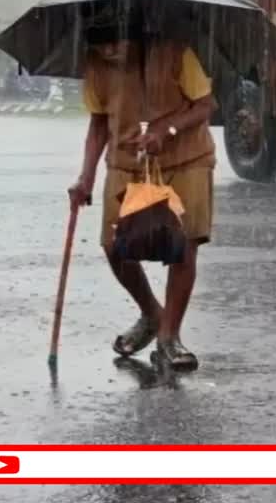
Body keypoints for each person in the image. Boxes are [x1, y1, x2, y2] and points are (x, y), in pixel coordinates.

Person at [67, 21, 218, 371]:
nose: (108, 52)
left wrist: (168, 128)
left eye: (114, 43)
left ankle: (169, 336)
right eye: (99, 45)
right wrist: (85, 178)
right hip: (126, 163)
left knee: (184, 245)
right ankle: (152, 314)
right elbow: (99, 123)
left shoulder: (175, 51)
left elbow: (206, 105)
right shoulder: (96, 65)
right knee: (113, 246)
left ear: (132, 32)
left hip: (186, 159)